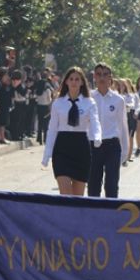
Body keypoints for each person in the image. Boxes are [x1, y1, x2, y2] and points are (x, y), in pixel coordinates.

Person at [41, 66, 102, 196]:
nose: (74, 82)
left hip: (81, 147)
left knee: (77, 197)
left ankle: (76, 216)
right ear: (66, 82)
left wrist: (97, 136)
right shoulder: (58, 103)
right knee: (65, 194)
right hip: (62, 147)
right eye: (71, 79)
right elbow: (52, 129)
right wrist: (47, 153)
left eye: (77, 79)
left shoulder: (89, 102)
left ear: (82, 82)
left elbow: (95, 121)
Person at [88, 63, 128, 198]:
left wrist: (125, 150)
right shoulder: (88, 98)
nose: (102, 78)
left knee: (111, 185)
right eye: (98, 74)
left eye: (105, 75)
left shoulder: (118, 100)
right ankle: (93, 215)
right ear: (94, 77)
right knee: (93, 185)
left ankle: (111, 215)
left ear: (111, 78)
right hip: (93, 145)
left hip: (112, 144)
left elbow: (123, 126)